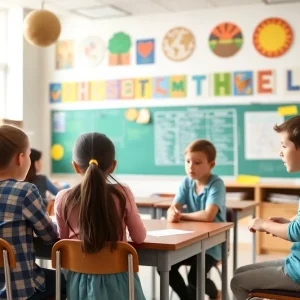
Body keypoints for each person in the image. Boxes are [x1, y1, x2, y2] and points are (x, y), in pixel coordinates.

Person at [54, 132, 147, 300]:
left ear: (75, 166)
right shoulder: (122, 193)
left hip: (79, 283)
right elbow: (139, 237)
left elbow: (62, 240)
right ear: (112, 166)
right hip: (120, 282)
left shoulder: (63, 198)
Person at [231, 115, 300, 300]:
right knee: (240, 271)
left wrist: (263, 224)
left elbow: (296, 232)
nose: (280, 153)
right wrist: (286, 223)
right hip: (296, 262)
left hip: (298, 271)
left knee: (237, 282)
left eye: (284, 146)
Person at [0, 124, 66, 300]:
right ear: (20, 159)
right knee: (65, 280)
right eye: (29, 155)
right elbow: (49, 237)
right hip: (18, 289)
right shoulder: (24, 191)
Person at [166, 139, 225, 300]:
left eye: (197, 162)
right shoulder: (186, 182)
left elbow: (208, 215)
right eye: (188, 161)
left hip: (212, 245)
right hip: (190, 242)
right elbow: (174, 207)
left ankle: (215, 294)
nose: (191, 167)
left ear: (211, 165)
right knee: (165, 267)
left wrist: (181, 215)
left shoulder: (216, 184)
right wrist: (173, 212)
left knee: (195, 277)